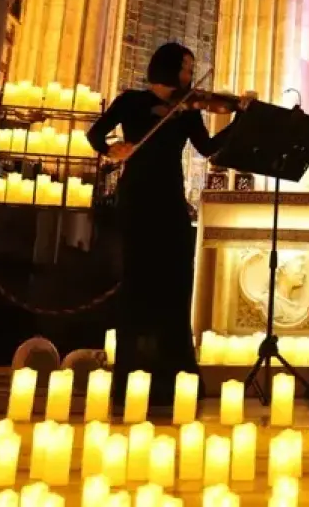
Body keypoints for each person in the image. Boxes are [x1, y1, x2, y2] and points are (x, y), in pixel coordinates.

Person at [87, 42, 246, 407]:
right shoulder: (130, 102)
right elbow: (95, 134)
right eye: (187, 67)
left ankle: (172, 374)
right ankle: (132, 374)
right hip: (138, 197)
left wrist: (239, 120)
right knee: (137, 280)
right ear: (169, 67)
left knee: (174, 281)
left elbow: (208, 149)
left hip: (171, 200)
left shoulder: (187, 110)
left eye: (191, 69)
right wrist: (112, 149)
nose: (190, 74)